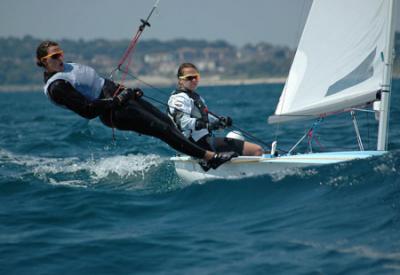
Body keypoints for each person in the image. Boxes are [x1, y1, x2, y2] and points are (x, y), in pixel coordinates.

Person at [36, 41, 237, 171]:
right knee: (163, 129)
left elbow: (98, 83)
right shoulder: (57, 86)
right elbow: (87, 110)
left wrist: (126, 91)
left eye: (60, 54)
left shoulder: (67, 67)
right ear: (43, 62)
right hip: (113, 111)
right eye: (54, 57)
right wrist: (117, 100)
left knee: (167, 122)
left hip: (120, 96)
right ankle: (210, 157)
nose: (60, 59)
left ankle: (198, 155)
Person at [168, 63, 263, 156]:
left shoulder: (196, 97)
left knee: (245, 144)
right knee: (257, 150)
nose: (193, 80)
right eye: (189, 78)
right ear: (180, 80)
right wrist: (207, 125)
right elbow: (182, 121)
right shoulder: (179, 98)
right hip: (195, 145)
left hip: (205, 141)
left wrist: (220, 121)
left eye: (196, 77)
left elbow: (206, 117)